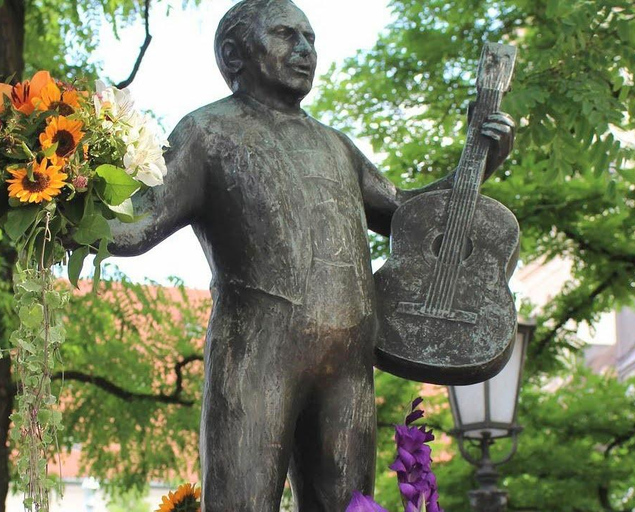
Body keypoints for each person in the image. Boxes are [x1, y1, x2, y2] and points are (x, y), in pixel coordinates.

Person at [110, 0, 516, 510]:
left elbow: (410, 214)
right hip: (256, 354)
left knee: (347, 505)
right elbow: (136, 225)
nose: (305, 51)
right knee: (242, 502)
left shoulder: (334, 145)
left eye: (310, 39)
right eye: (286, 35)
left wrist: (475, 166)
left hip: (348, 361)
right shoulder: (207, 133)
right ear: (235, 55)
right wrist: (61, 190)